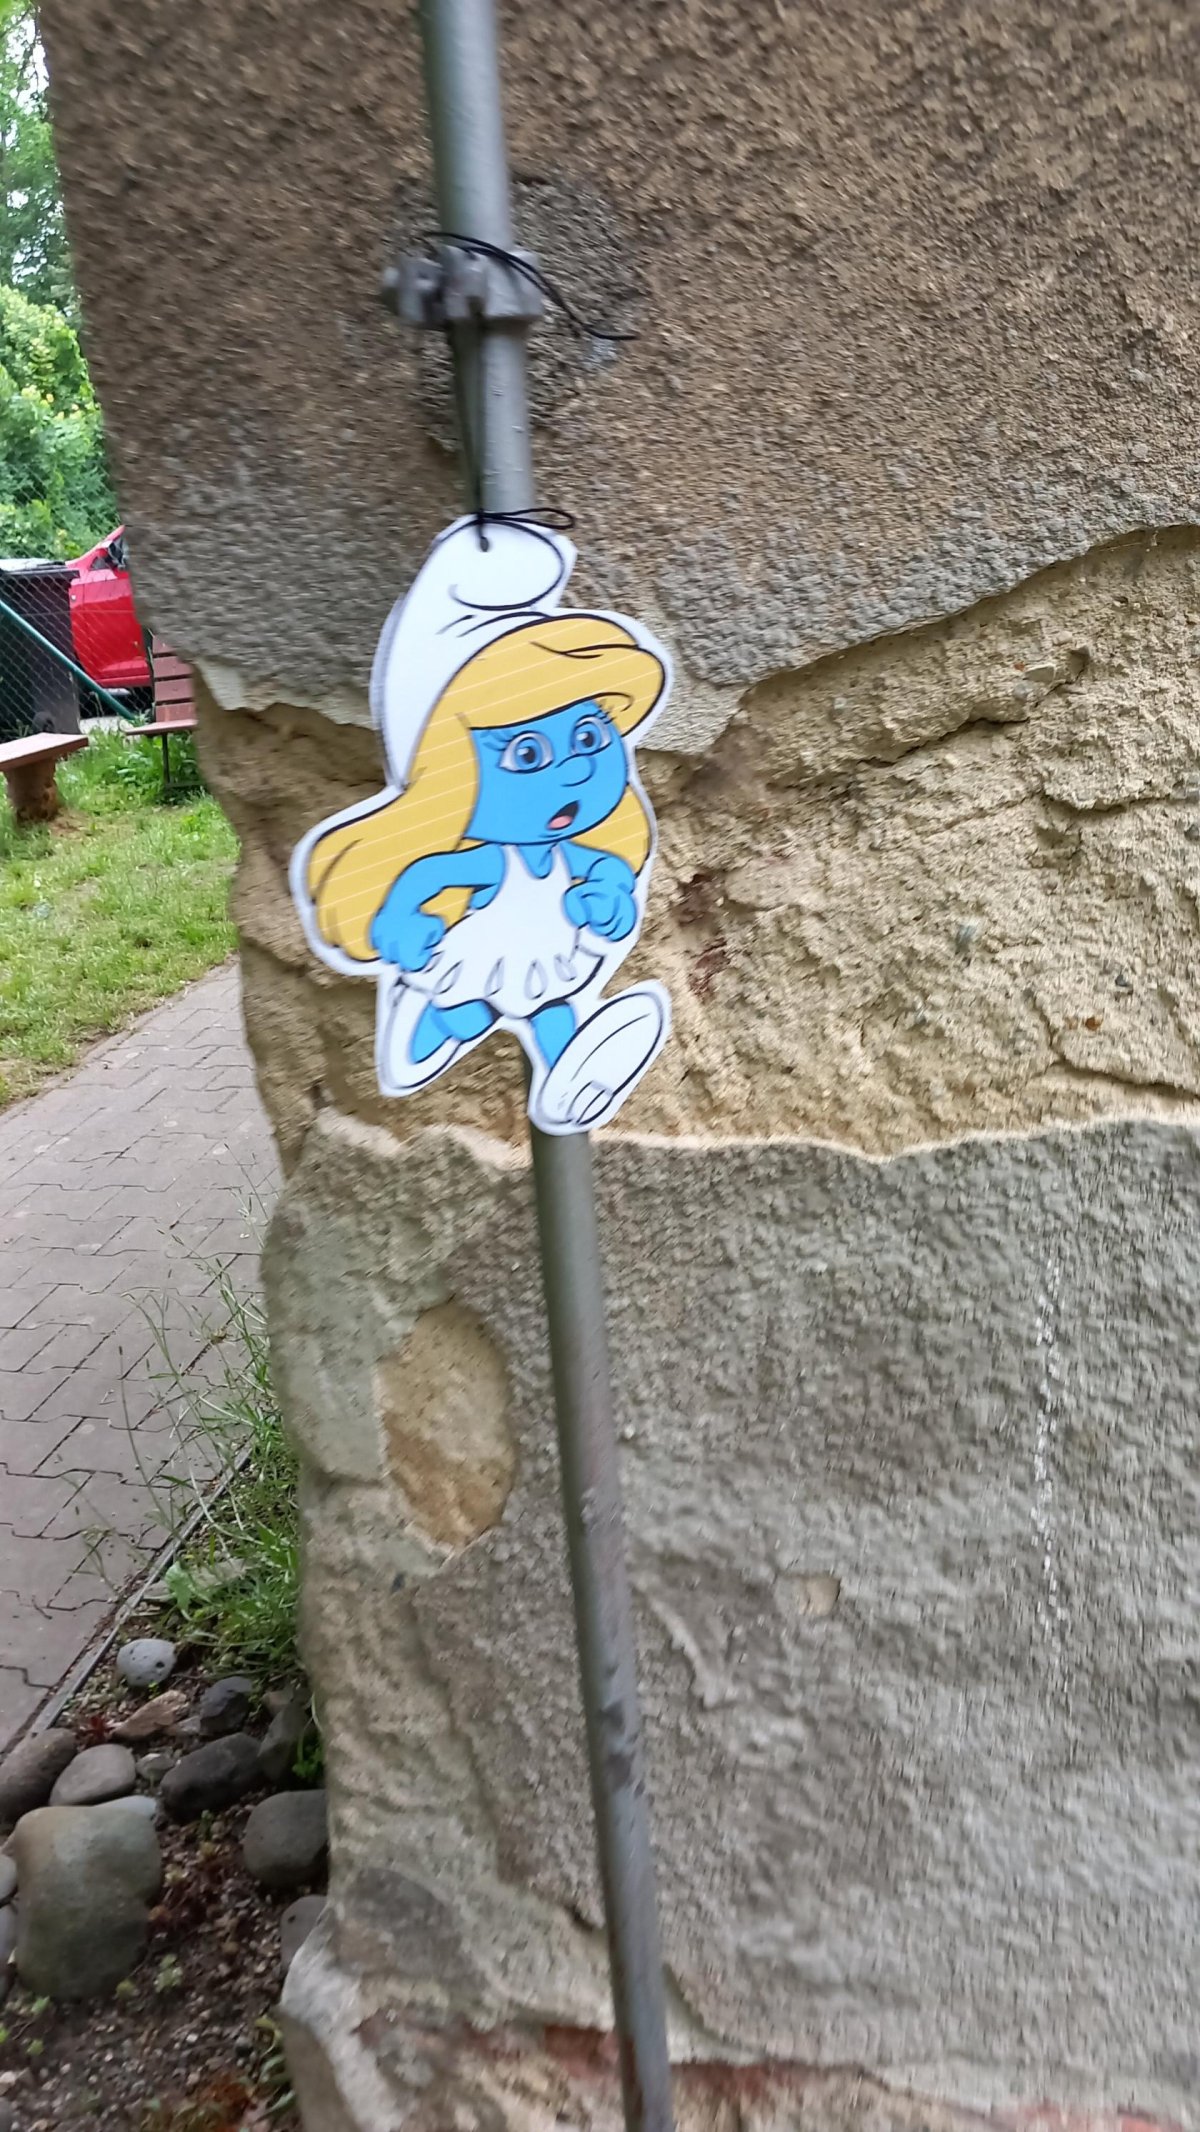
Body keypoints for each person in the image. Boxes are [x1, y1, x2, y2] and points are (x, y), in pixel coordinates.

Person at [291, 516, 672, 1134]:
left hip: (550, 957)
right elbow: (429, 874)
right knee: (469, 1010)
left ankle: (573, 1077)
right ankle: (426, 1031)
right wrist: (397, 919)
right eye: (527, 753)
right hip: (485, 954)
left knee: (553, 1012)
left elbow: (608, 878)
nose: (575, 770)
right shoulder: (493, 861)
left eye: (588, 736)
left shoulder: (575, 853)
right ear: (457, 771)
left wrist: (611, 901)